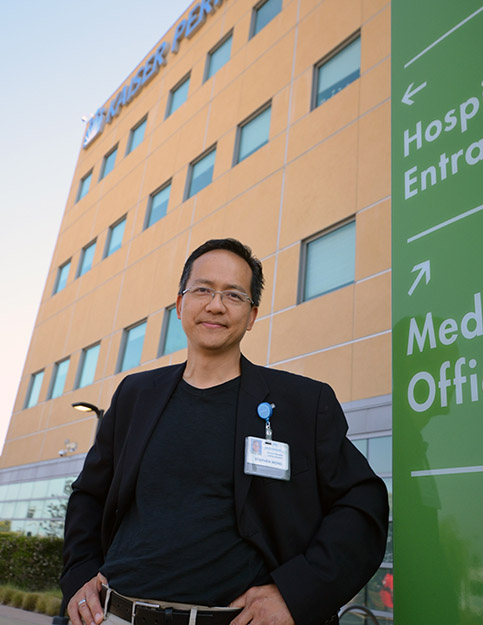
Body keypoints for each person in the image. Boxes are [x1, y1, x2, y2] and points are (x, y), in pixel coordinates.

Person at [61, 238, 388, 625]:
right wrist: (79, 574)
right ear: (180, 304)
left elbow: (363, 503)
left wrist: (296, 591)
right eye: (202, 290)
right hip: (119, 614)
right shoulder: (136, 395)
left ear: (251, 316)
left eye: (233, 295)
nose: (215, 304)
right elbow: (89, 495)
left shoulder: (302, 403)